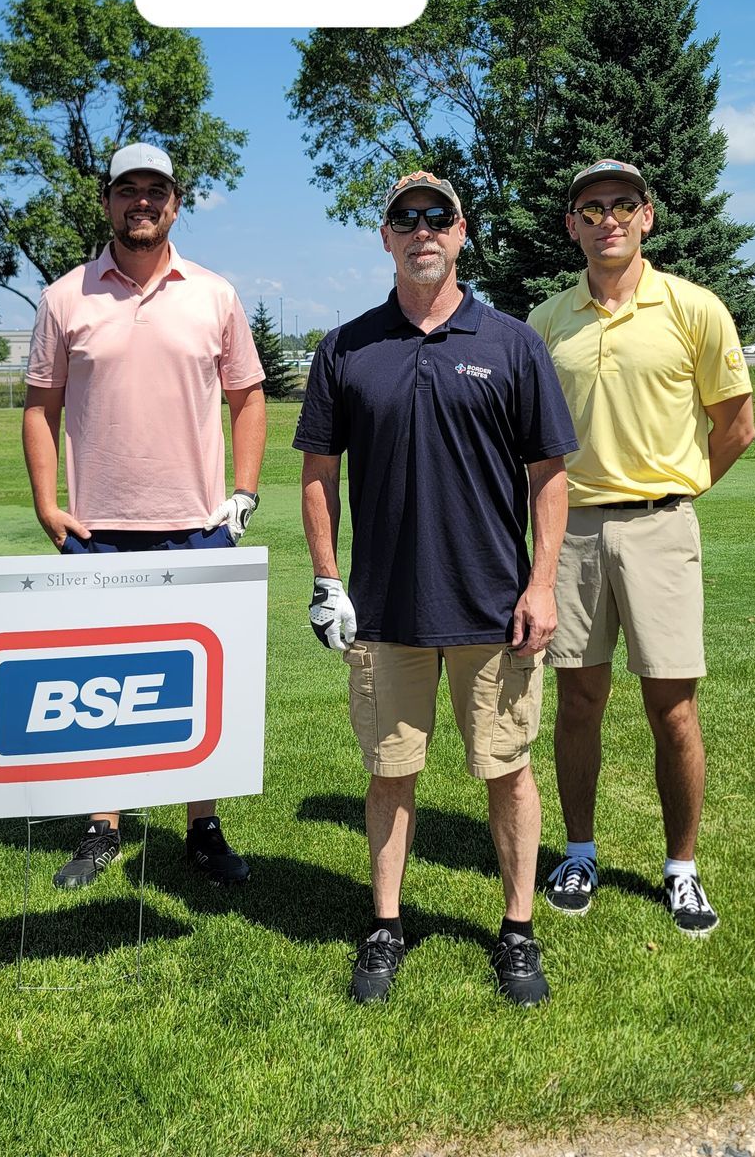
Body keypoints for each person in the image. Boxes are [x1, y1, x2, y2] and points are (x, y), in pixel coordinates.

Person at [295, 171, 577, 1007]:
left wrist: (542, 584)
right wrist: (326, 580)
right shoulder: (347, 347)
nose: (422, 230)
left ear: (463, 233)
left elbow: (549, 477)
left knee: (507, 769)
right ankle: (385, 927)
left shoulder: (512, 342)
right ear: (385, 237)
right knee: (390, 773)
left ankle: (517, 932)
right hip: (384, 611)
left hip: (496, 608)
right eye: (404, 218)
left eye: (437, 217)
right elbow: (317, 475)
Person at [22, 142, 267, 890]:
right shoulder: (66, 296)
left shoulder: (214, 294)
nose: (141, 202)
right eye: (126, 189)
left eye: (155, 190)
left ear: (175, 202)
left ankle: (202, 826)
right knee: (101, 682)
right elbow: (40, 405)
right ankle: (103, 826)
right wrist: (45, 502)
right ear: (106, 203)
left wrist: (246, 491)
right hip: (97, 529)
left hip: (197, 522)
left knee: (198, 682)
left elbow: (247, 396)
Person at [526, 158, 755, 936]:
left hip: (662, 524)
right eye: (590, 208)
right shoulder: (547, 321)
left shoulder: (693, 308)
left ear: (647, 217)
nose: (607, 220)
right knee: (578, 701)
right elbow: (528, 444)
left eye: (622, 205)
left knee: (674, 707)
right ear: (573, 226)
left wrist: (678, 493)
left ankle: (681, 868)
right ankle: (580, 852)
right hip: (575, 529)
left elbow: (738, 426)